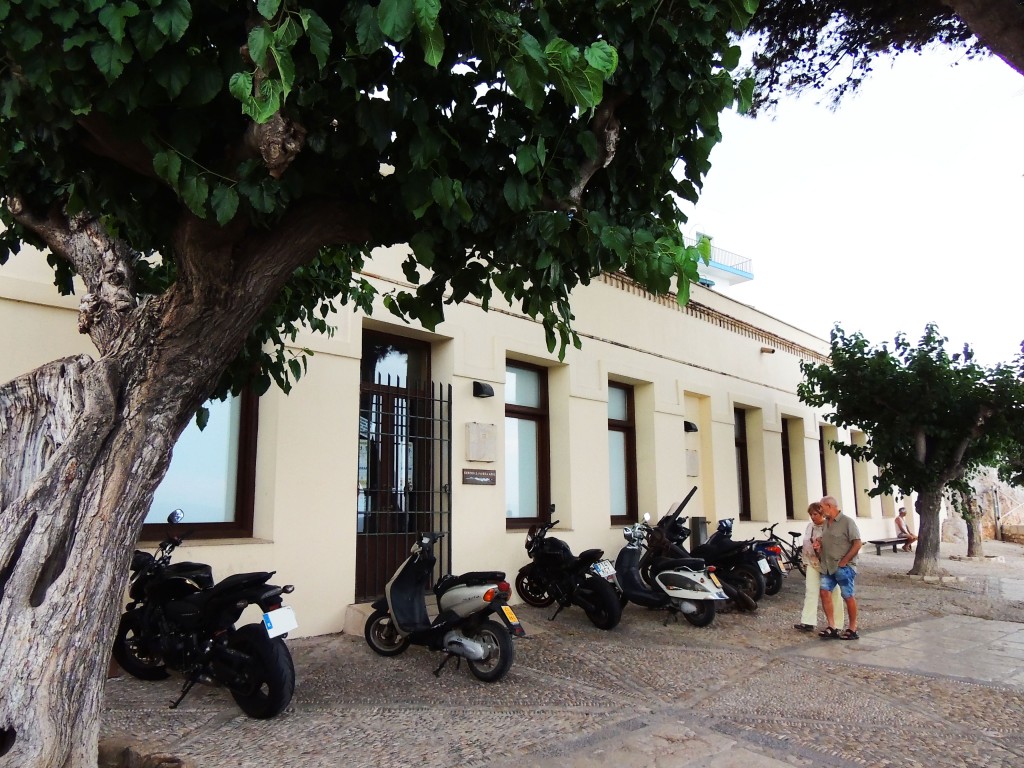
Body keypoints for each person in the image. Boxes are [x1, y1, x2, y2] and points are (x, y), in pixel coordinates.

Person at [794, 502, 843, 632]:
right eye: (810, 514)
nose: (812, 517)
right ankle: (808, 621)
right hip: (812, 562)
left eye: (815, 514)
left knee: (834, 592)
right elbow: (806, 545)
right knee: (811, 590)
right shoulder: (809, 527)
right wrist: (805, 561)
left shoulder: (828, 526)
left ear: (821, 513)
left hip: (828, 563)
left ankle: (837, 623)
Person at [817, 495, 862, 640]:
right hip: (827, 566)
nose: (821, 511)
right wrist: (819, 543)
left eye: (822, 508)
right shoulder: (825, 523)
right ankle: (832, 626)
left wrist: (845, 560)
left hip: (843, 566)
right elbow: (826, 540)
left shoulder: (847, 522)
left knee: (847, 596)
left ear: (830, 506)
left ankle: (853, 628)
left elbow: (857, 543)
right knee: (824, 592)